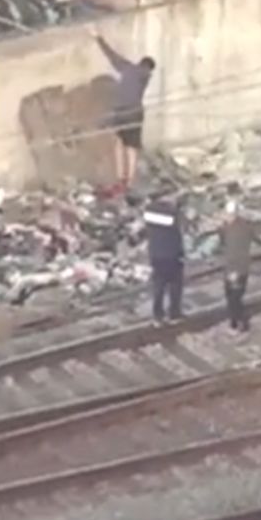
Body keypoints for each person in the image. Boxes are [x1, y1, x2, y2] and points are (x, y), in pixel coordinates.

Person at [90, 27, 156, 193]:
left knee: (119, 144)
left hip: (120, 112)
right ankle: (129, 181)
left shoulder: (128, 68)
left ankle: (120, 179)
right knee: (130, 147)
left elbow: (111, 55)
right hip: (134, 113)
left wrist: (98, 37)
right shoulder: (145, 76)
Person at [219, 199, 261, 332]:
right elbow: (258, 240)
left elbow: (224, 246)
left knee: (232, 297)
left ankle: (236, 324)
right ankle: (239, 321)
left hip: (233, 268)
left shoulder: (224, 229)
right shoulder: (247, 226)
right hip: (243, 268)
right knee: (237, 296)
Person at [144, 196, 184, 324]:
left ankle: (158, 315)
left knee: (158, 286)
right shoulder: (173, 214)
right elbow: (178, 224)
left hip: (156, 254)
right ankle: (174, 314)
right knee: (175, 286)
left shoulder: (149, 211)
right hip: (171, 254)